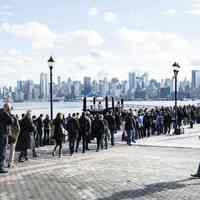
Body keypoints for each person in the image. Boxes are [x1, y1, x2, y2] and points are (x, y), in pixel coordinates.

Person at [0, 103, 13, 173]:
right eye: (9, 108)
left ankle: (1, 165)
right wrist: (9, 112)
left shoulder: (0, 112)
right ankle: (1, 167)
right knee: (2, 150)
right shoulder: (4, 113)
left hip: (2, 133)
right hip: (3, 134)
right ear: (6, 108)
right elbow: (11, 121)